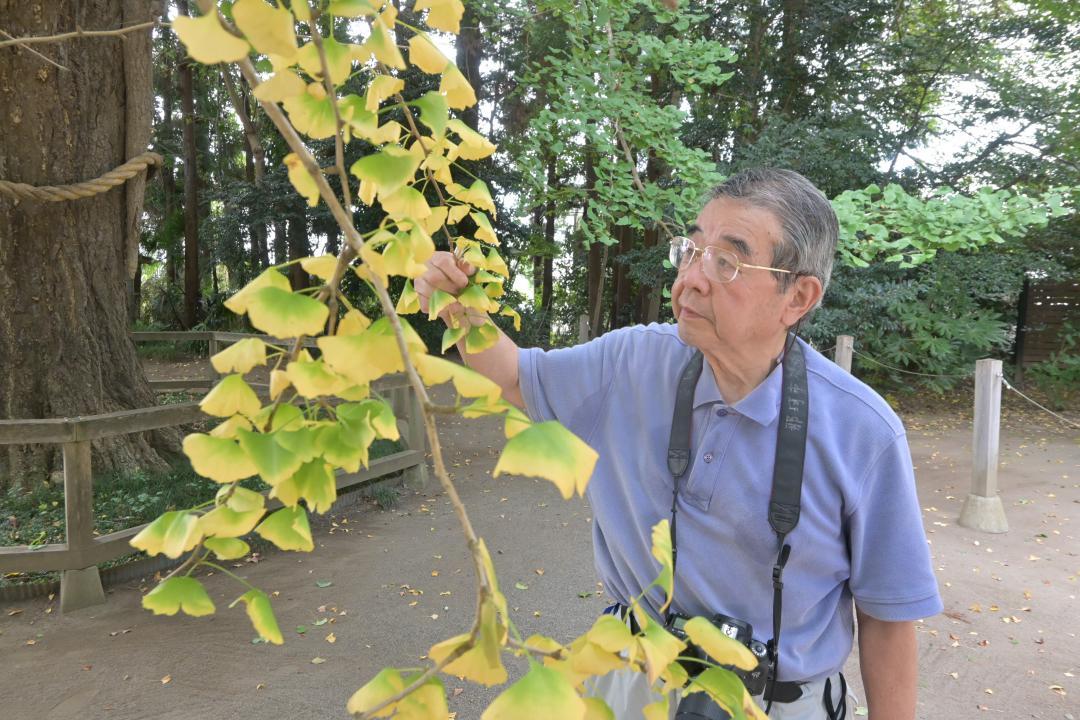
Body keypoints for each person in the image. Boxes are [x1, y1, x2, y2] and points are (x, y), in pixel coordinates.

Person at [415, 168, 942, 719]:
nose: (692, 278)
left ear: (798, 297)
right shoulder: (632, 362)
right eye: (691, 250)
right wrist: (459, 301)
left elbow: (886, 617)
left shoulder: (863, 432)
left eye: (727, 262)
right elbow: (515, 378)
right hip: (629, 682)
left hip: (777, 703)